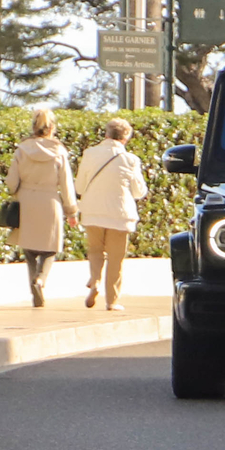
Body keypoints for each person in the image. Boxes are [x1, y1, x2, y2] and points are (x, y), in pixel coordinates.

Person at [4, 108, 78, 308]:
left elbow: (11, 181)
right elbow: (66, 183)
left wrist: (17, 191)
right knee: (50, 249)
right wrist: (71, 210)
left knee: (29, 251)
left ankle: (32, 287)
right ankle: (40, 280)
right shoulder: (59, 151)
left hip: (27, 201)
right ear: (52, 127)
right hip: (50, 200)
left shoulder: (22, 150)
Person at [74, 118, 148, 311]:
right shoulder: (130, 160)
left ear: (106, 134)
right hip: (120, 214)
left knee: (95, 251)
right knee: (116, 258)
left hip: (92, 211)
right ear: (125, 138)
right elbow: (139, 191)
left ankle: (95, 281)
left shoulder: (89, 154)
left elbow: (79, 186)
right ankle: (112, 301)